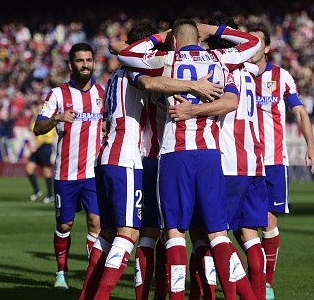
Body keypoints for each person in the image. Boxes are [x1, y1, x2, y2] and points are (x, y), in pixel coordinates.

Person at [80, 21, 224, 300]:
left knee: (114, 233)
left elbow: (117, 48)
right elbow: (148, 81)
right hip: (131, 158)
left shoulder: (113, 76)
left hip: (109, 156)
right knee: (129, 234)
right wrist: (194, 86)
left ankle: (90, 295)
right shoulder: (136, 69)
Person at [118, 19, 261, 300]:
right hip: (210, 154)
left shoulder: (166, 59)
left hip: (175, 153)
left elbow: (127, 54)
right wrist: (217, 31)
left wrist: (159, 37)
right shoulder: (221, 59)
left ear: (173, 40)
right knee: (218, 234)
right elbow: (254, 43)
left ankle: (176, 297)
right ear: (200, 36)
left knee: (174, 232)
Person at [169, 13, 267, 300]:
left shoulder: (218, 67)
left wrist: (208, 31)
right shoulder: (251, 70)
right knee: (247, 235)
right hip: (254, 161)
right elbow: (253, 45)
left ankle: (207, 294)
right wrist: (221, 30)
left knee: (205, 236)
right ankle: (259, 294)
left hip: (224, 161)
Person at [247, 24, 314, 300]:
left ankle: (265, 283)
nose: (251, 47)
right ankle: (252, 276)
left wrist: (311, 146)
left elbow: (300, 113)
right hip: (242, 161)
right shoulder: (236, 75)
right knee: (242, 226)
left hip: (274, 161)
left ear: (266, 48)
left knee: (267, 223)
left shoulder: (281, 77)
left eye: (257, 43)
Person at [33, 43, 103, 290]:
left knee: (96, 222)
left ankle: (92, 276)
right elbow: (37, 128)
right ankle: (61, 273)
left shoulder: (102, 93)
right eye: (80, 60)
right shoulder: (57, 95)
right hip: (66, 173)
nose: (85, 64)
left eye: (89, 60)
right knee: (65, 225)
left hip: (94, 174)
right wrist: (56, 118)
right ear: (71, 65)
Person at [25, 111, 56, 204]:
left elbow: (46, 137)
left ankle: (50, 195)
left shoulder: (49, 121)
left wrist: (36, 147)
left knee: (46, 170)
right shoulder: (38, 120)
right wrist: (34, 116)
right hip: (37, 148)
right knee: (29, 168)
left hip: (45, 147)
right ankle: (37, 191)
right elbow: (30, 128)